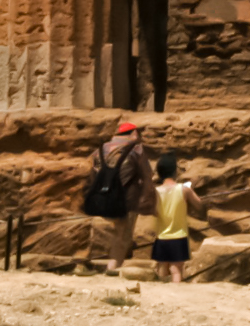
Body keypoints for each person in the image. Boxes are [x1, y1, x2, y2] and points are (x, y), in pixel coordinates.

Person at [85, 122, 153, 273]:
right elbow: (147, 175)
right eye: (138, 134)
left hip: (103, 198)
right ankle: (113, 267)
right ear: (134, 133)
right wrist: (147, 197)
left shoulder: (100, 149)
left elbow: (91, 175)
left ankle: (110, 265)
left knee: (115, 233)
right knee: (123, 234)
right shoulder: (136, 148)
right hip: (127, 199)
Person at [148, 153, 205, 284]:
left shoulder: (156, 191)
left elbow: (155, 212)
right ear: (175, 171)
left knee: (162, 269)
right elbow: (199, 205)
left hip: (161, 237)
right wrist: (190, 189)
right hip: (179, 236)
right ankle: (175, 295)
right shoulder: (184, 189)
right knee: (176, 270)